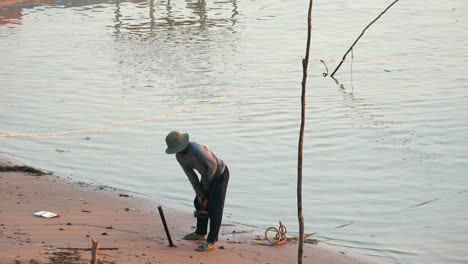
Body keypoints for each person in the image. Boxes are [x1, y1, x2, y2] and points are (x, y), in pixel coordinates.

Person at [165, 131, 230, 252]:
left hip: (219, 175)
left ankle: (211, 241)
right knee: (199, 202)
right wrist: (200, 193)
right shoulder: (179, 157)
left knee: (214, 207)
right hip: (205, 176)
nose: (178, 151)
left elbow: (213, 165)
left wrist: (206, 185)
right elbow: (191, 175)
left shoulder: (197, 149)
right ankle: (200, 232)